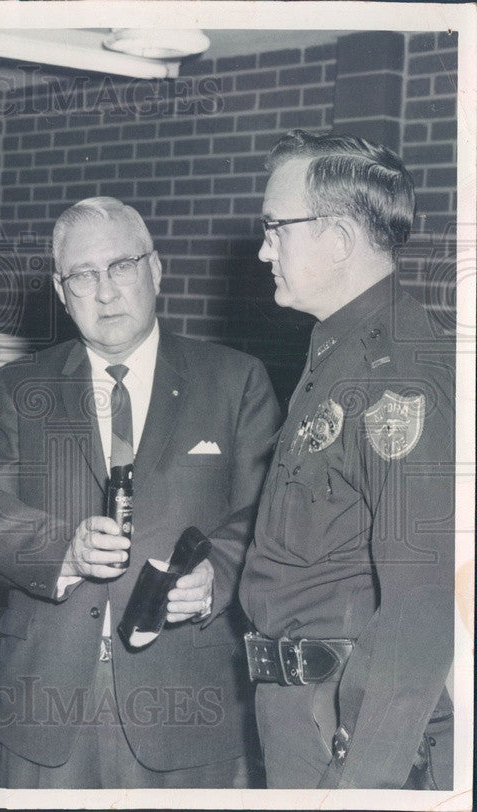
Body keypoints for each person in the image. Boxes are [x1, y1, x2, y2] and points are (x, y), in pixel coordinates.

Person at [0, 197, 280, 788]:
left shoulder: (235, 382)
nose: (104, 292)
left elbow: (264, 516)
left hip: (187, 705)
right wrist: (63, 550)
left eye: (121, 267)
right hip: (47, 705)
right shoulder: (20, 387)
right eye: (82, 275)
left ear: (155, 270)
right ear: (60, 290)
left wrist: (219, 576)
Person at [238, 130, 455, 789]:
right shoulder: (337, 350)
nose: (262, 249)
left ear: (336, 239)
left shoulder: (399, 374)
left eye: (275, 229)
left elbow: (421, 606)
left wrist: (362, 782)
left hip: (345, 735)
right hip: (299, 714)